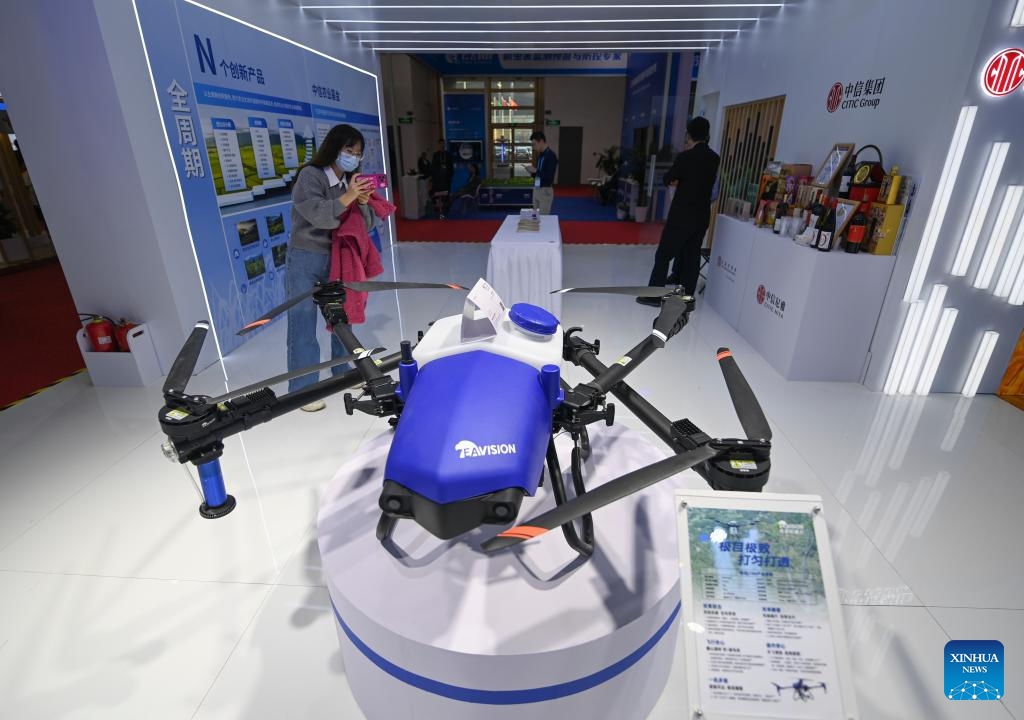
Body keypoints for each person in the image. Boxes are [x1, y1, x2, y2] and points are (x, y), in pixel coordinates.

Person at [287, 123, 374, 411]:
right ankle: (303, 390)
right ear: (334, 148)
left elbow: (368, 224)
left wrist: (362, 202)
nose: (353, 157)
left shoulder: (350, 180)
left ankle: (344, 375)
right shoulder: (309, 176)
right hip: (305, 257)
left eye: (358, 153)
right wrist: (349, 196)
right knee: (302, 322)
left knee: (341, 318)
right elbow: (320, 216)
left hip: (339, 258)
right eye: (348, 150)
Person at [638, 116, 719, 306]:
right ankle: (686, 299)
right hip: (702, 216)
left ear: (689, 134)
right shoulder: (714, 158)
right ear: (707, 135)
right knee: (692, 256)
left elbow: (669, 178)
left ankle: (654, 295)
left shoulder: (685, 157)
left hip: (682, 215)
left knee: (664, 255)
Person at [526, 130, 558, 215]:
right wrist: (532, 172)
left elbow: (549, 177)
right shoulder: (540, 155)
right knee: (536, 216)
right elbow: (539, 174)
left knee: (543, 218)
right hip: (537, 188)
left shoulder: (551, 156)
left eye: (534, 144)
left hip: (545, 190)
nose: (533, 147)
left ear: (541, 141)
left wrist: (536, 171)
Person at [429, 138, 453, 217]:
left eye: (443, 144)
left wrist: (449, 174)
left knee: (447, 193)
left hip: (446, 178)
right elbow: (433, 167)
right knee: (437, 193)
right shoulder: (435, 155)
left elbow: (451, 167)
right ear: (438, 145)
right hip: (438, 178)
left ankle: (446, 208)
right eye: (440, 144)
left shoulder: (448, 155)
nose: (442, 146)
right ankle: (438, 208)